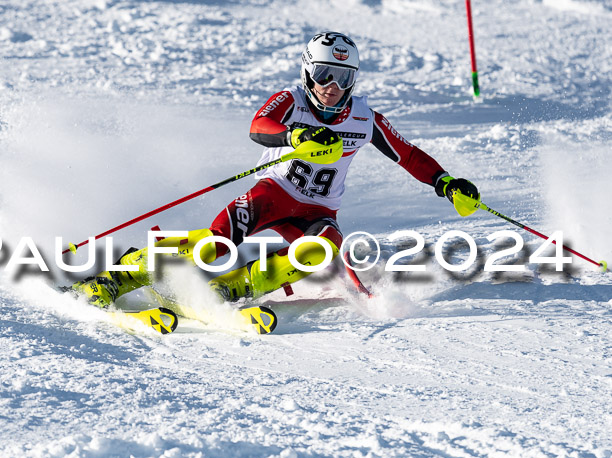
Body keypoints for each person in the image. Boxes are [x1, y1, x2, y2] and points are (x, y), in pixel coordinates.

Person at [70, 31, 479, 307]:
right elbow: (258, 128)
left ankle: (226, 293)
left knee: (321, 249)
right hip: (270, 195)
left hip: (318, 213)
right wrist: (297, 137)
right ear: (308, 71)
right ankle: (112, 280)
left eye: (342, 76)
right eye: (323, 74)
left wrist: (446, 183)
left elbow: (408, 155)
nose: (331, 85)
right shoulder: (291, 100)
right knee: (213, 245)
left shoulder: (364, 118)